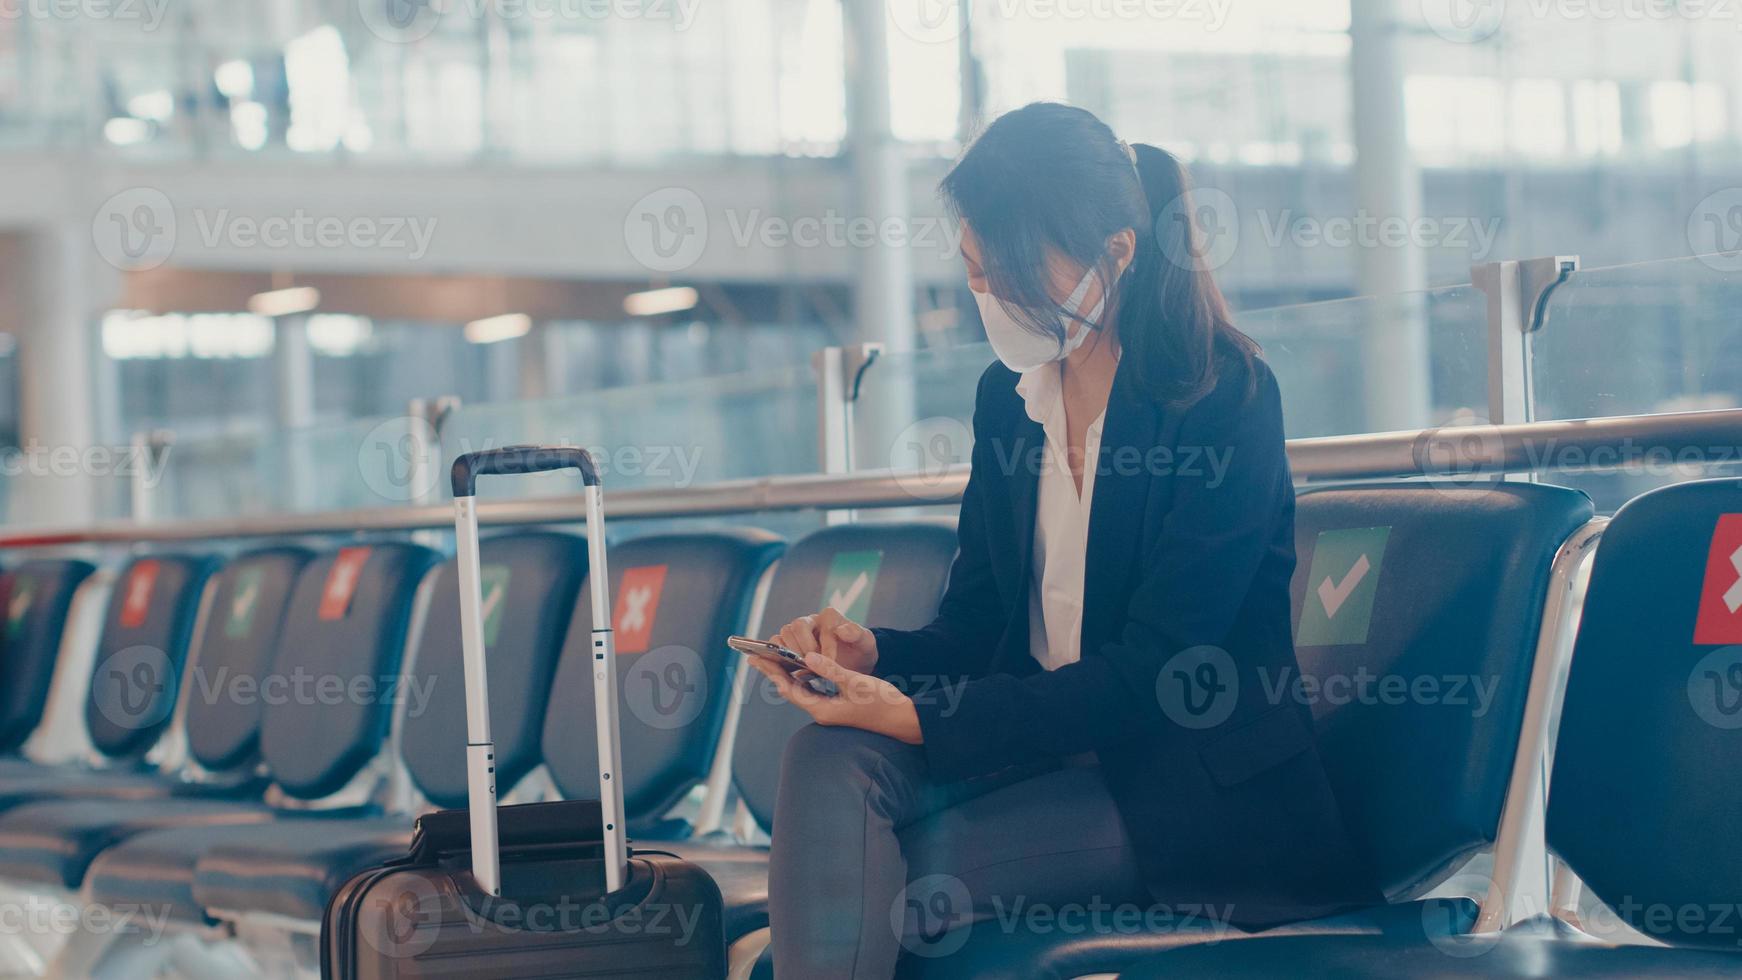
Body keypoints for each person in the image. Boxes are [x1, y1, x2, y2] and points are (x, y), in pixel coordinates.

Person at [749, 102, 1379, 979]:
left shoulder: (1223, 400)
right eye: (975, 274)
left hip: (1175, 785)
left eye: (1012, 274)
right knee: (826, 758)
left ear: (1116, 253)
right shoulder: (1008, 400)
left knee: (864, 884)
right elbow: (977, 629)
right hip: (1039, 750)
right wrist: (876, 657)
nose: (990, 298)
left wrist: (921, 717)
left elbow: (1157, 671)